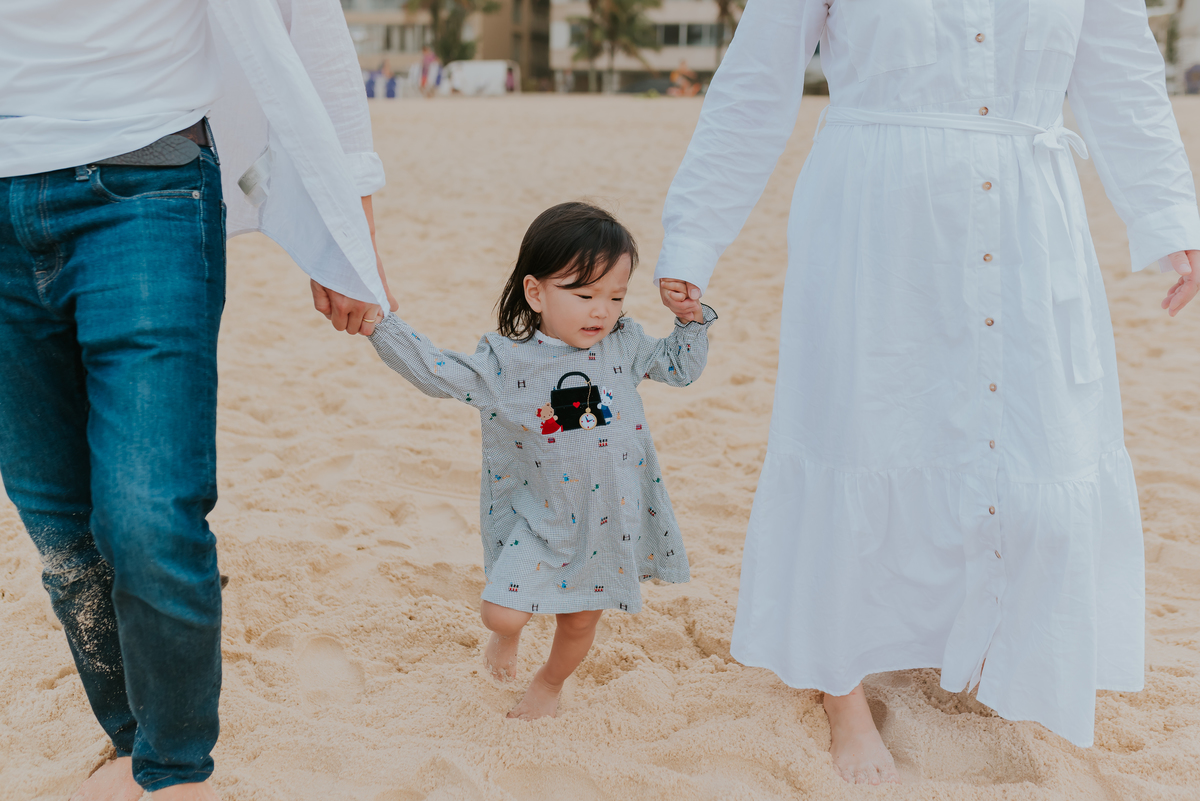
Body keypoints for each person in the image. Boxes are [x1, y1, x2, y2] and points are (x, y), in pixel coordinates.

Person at [656, 0, 1200, 787]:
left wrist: (1170, 214)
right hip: (875, 221)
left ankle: (982, 647)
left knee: (1030, 439)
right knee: (862, 433)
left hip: (1027, 213)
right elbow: (755, 81)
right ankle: (841, 692)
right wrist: (696, 236)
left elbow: (1123, 75)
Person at [0, 0, 396, 798]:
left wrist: (349, 222)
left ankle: (177, 772)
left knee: (146, 511)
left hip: (145, 181)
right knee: (58, 524)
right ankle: (130, 740)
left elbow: (308, 21)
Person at [367, 202, 716, 719]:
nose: (601, 310)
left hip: (607, 523)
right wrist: (380, 325)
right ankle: (506, 641)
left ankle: (548, 686)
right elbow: (436, 372)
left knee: (578, 624)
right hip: (542, 519)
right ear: (536, 292)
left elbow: (681, 369)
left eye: (615, 296)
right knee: (502, 615)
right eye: (584, 294)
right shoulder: (507, 363)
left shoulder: (625, 344)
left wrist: (691, 320)